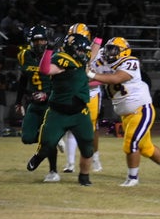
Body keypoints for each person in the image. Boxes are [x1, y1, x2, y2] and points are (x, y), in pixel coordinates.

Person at [87, 37, 160, 187]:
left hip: (141, 109)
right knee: (146, 148)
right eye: (108, 49)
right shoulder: (102, 58)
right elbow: (89, 59)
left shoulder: (131, 61)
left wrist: (91, 74)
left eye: (114, 50)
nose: (109, 53)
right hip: (126, 114)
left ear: (124, 52)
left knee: (130, 143)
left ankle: (133, 178)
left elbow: (116, 78)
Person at [26, 33, 95, 186]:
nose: (83, 54)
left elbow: (93, 51)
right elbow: (45, 70)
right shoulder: (62, 59)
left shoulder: (81, 60)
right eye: (80, 50)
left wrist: (99, 38)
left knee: (88, 147)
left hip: (80, 113)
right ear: (71, 49)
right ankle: (39, 155)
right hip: (58, 113)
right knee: (47, 144)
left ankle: (84, 177)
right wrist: (49, 50)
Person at [15, 25, 61, 182]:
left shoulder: (55, 56)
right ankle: (52, 139)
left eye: (42, 40)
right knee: (27, 137)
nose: (40, 43)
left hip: (51, 104)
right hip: (34, 104)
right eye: (36, 40)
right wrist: (18, 101)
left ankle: (53, 171)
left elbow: (62, 82)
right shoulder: (24, 55)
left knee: (49, 138)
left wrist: (47, 95)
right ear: (30, 41)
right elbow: (23, 78)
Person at [61, 23, 104, 173]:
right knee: (71, 127)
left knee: (91, 129)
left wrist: (86, 80)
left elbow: (103, 78)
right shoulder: (66, 52)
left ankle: (95, 157)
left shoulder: (98, 53)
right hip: (74, 92)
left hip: (91, 93)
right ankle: (70, 164)